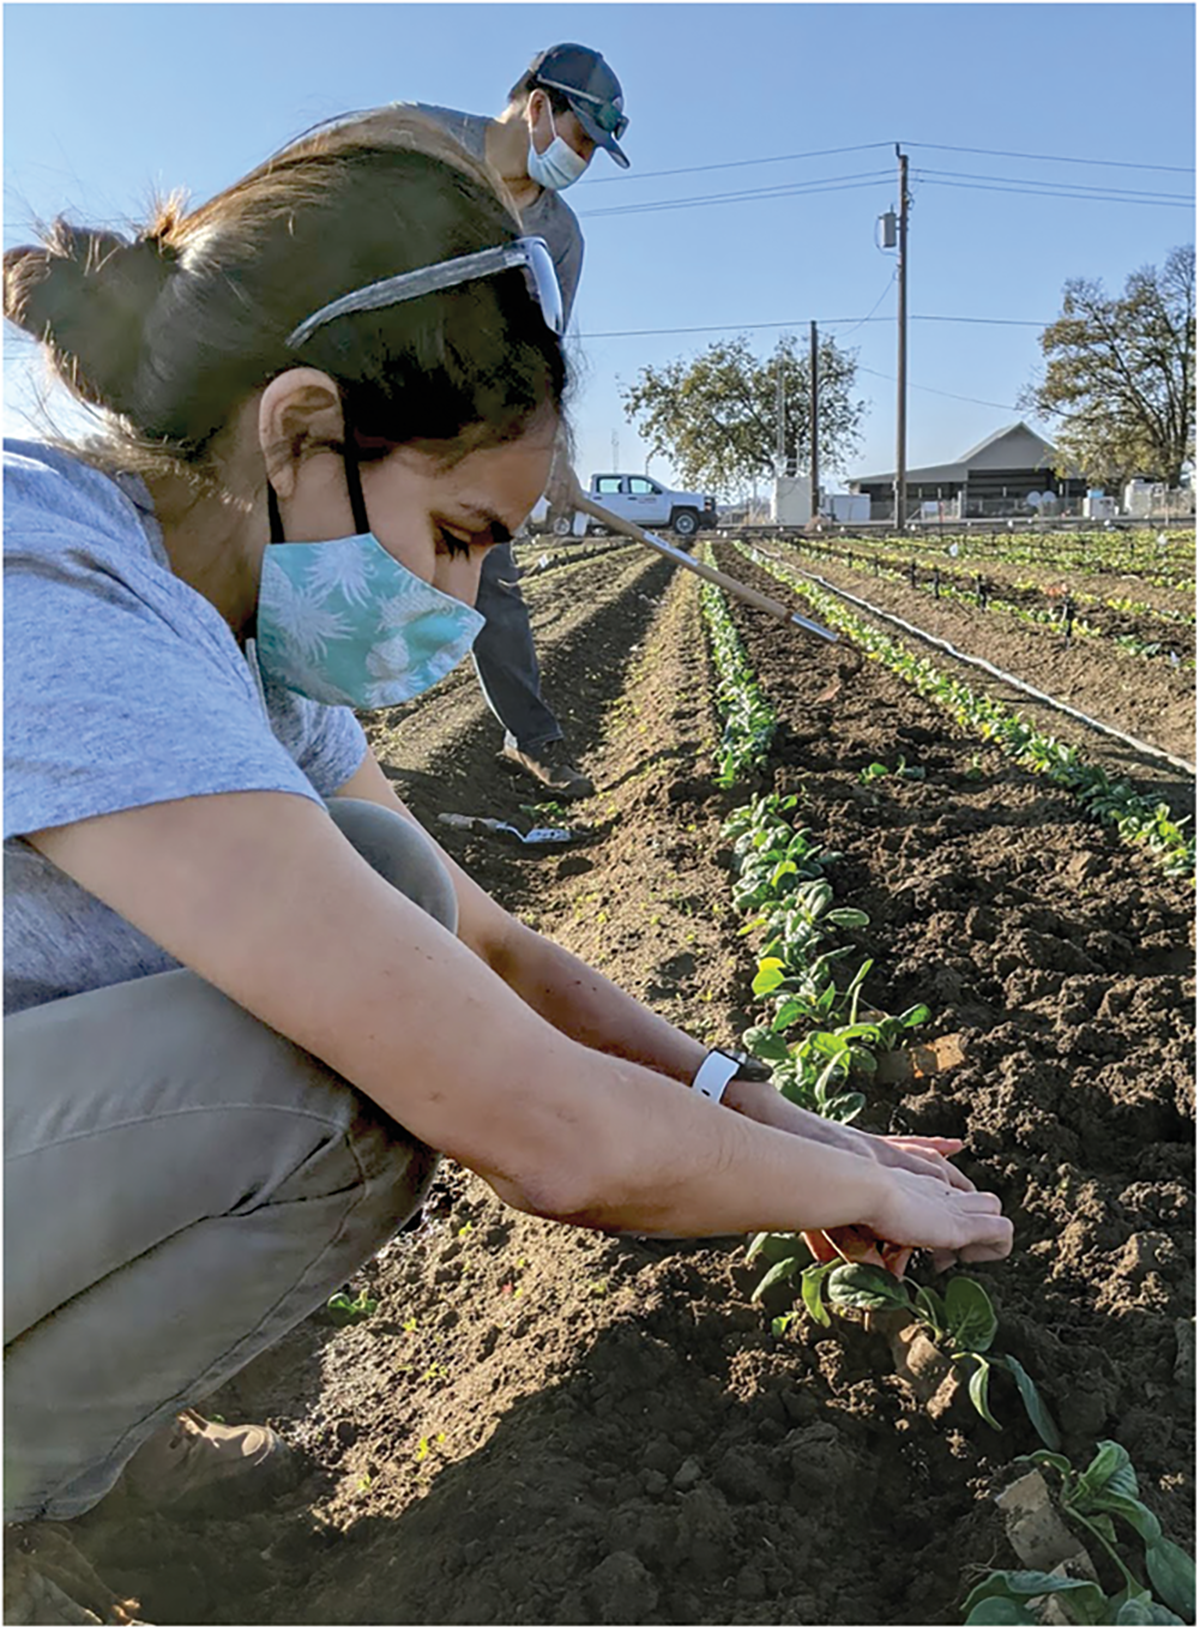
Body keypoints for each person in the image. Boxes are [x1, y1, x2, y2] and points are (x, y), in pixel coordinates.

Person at [3, 107, 1011, 1621]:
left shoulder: (246, 630)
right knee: (345, 1080)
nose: (466, 599)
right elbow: (544, 1130)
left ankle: (88, 1459)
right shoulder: (54, 587)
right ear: (297, 431)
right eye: (460, 532)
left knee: (388, 902)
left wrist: (775, 1111)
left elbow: (488, 943)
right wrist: (862, 1197)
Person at [410, 43, 632, 801]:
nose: (583, 160)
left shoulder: (561, 236)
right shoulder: (421, 141)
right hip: (371, 403)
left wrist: (551, 457)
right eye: (580, 139)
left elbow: (543, 358)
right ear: (538, 107)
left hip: (469, 430)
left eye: (594, 152)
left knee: (492, 582)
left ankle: (533, 740)